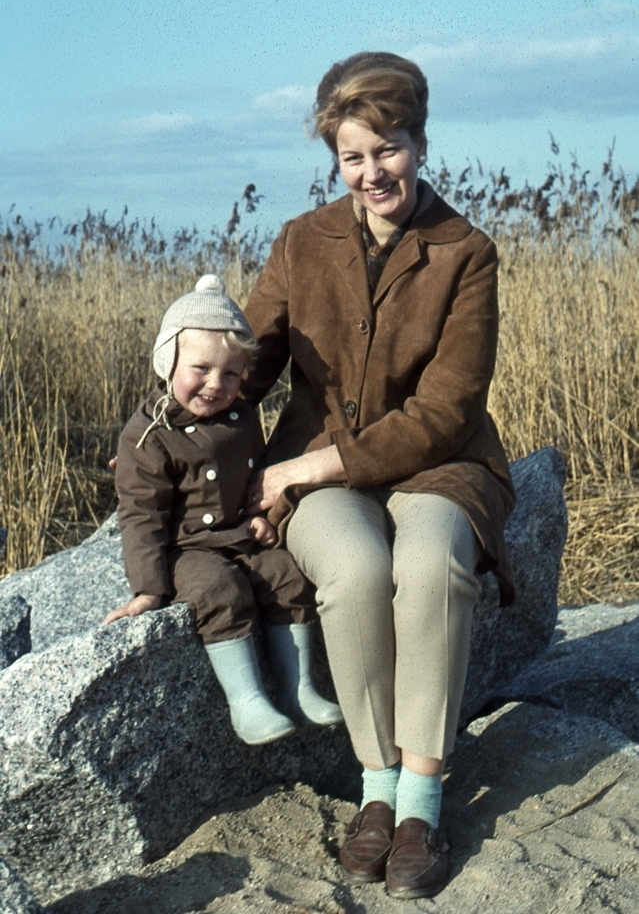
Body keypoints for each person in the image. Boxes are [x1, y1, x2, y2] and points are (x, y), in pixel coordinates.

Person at [240, 52, 516, 899]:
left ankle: (421, 806)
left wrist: (302, 466)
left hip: (441, 465)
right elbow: (245, 364)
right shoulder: (300, 241)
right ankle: (377, 788)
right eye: (352, 157)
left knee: (429, 567)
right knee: (356, 570)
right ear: (335, 159)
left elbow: (446, 410)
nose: (371, 173)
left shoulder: (465, 252)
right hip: (322, 476)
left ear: (420, 143)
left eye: (387, 149)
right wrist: (169, 429)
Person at [103, 274, 343, 746]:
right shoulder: (148, 436)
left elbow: (255, 475)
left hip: (237, 535)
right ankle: (247, 701)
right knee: (219, 589)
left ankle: (297, 689)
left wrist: (262, 519)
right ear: (167, 361)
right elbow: (141, 516)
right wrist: (148, 589)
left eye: (231, 374)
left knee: (286, 574)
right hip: (185, 549)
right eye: (201, 369)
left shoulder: (241, 418)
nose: (216, 384)